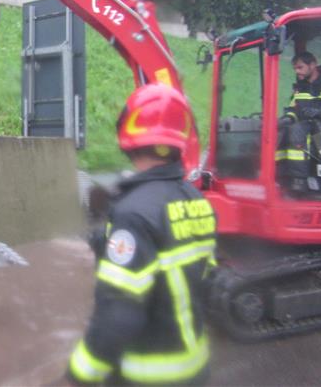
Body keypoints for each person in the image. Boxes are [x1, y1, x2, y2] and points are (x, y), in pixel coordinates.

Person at [66, 84, 216, 386]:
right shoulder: (197, 201)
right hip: (193, 367)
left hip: (147, 375)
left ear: (129, 135)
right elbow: (201, 277)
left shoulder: (133, 214)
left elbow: (119, 313)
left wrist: (80, 374)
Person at [277, 51, 321, 194]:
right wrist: (287, 118)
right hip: (307, 124)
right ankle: (279, 177)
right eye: (295, 68)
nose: (297, 71)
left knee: (297, 130)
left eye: (300, 67)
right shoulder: (300, 87)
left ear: (312, 65)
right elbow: (295, 108)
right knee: (280, 132)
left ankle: (299, 180)